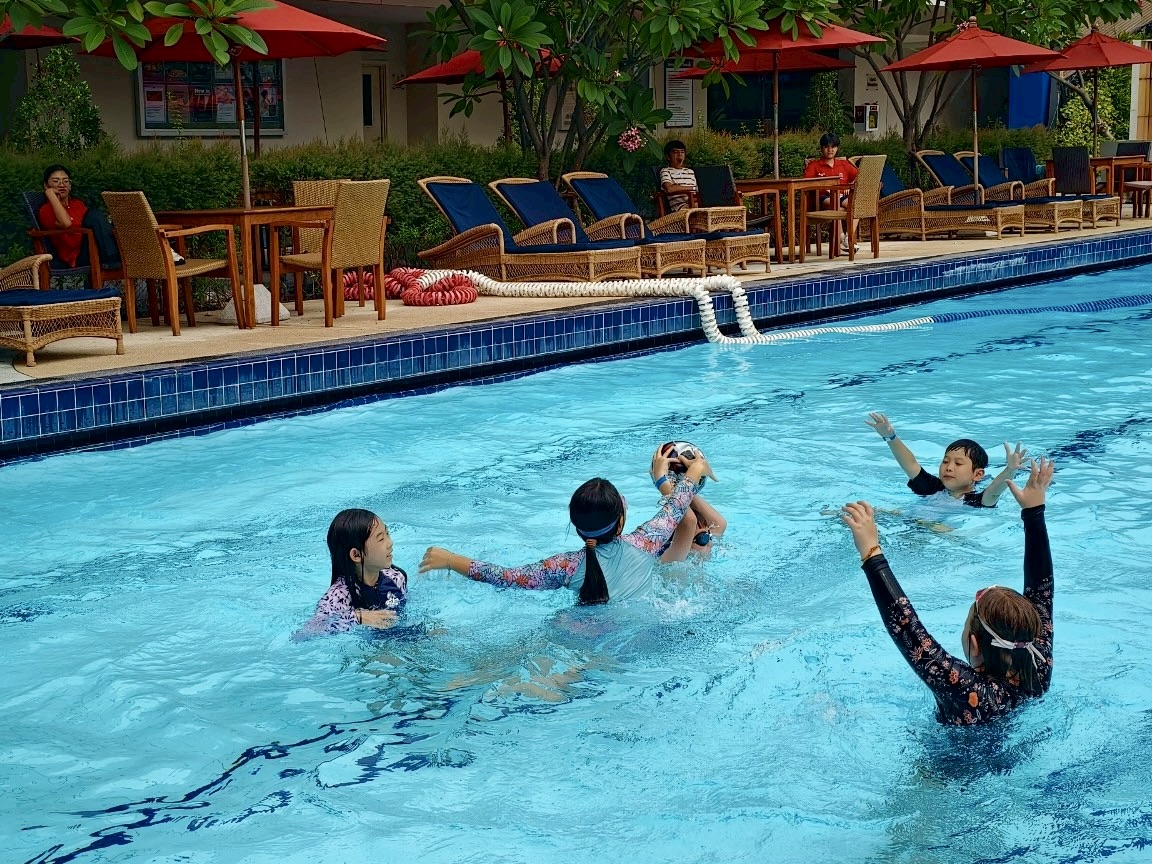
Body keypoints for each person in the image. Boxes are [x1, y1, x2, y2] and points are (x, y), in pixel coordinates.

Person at [840, 457, 1054, 725]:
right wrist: (1034, 512)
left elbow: (906, 627)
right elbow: (1042, 588)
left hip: (949, 754)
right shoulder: (1038, 660)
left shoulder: (967, 689)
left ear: (974, 645)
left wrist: (871, 552)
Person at [418, 447, 715, 604]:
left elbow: (508, 577)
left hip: (581, 635)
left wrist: (451, 559)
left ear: (576, 528)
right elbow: (677, 507)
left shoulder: (564, 567)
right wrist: (691, 472)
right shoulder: (646, 542)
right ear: (621, 521)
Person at [866, 412, 1026, 508]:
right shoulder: (932, 487)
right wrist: (890, 437)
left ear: (977, 475)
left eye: (958, 463)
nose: (949, 467)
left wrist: (1010, 470)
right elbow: (910, 464)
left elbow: (994, 490)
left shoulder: (976, 500)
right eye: (945, 461)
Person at [295, 508, 408, 638]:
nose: (390, 543)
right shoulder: (338, 597)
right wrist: (357, 618)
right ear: (356, 555)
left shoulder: (396, 577)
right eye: (381, 539)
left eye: (387, 533)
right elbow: (305, 634)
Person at [38, 164, 124, 272]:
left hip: (95, 247)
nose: (62, 184)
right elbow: (66, 223)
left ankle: (132, 255)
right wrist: (50, 194)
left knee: (123, 218)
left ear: (70, 186)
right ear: (46, 185)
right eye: (56, 181)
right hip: (77, 256)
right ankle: (113, 258)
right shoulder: (46, 210)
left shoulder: (77, 204)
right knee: (94, 215)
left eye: (66, 181)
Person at [652, 441, 726, 563]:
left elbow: (720, 524)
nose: (710, 542)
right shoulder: (670, 558)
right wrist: (663, 484)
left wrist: (683, 482)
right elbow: (688, 522)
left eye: (708, 534)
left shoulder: (692, 552)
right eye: (703, 538)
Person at [802, 132, 859, 253]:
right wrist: (821, 186)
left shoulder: (843, 164)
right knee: (836, 204)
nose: (830, 150)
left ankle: (847, 238)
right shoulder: (814, 165)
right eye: (826, 147)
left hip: (842, 196)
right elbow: (806, 183)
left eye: (833, 147)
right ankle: (842, 238)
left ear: (837, 148)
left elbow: (860, 176)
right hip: (823, 198)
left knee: (857, 206)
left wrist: (851, 185)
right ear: (822, 148)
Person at [659, 139, 698, 213]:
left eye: (682, 152)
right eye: (676, 152)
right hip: (681, 208)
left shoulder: (690, 172)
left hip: (696, 203)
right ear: (668, 157)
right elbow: (669, 189)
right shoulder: (666, 171)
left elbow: (699, 191)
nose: (680, 155)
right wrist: (692, 188)